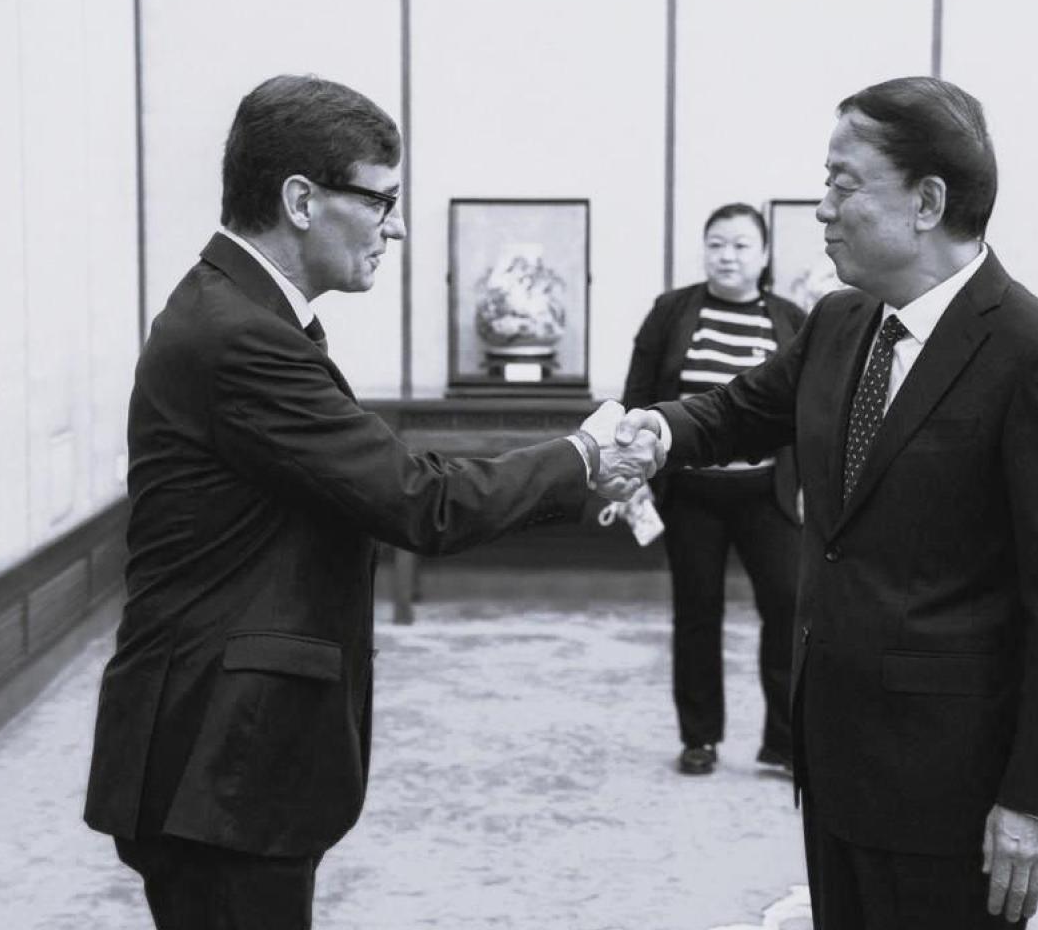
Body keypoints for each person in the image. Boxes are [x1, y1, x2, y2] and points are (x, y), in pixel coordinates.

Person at [82, 74, 657, 930]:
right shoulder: (239, 335)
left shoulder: (241, 313)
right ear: (302, 201)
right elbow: (420, 501)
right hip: (216, 759)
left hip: (223, 749)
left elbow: (379, 481)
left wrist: (574, 473)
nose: (396, 226)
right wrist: (584, 454)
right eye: (382, 200)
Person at [614, 77, 1038, 927]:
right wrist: (652, 431)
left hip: (951, 779)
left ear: (927, 202)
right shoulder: (842, 322)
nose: (822, 209)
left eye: (843, 184)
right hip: (834, 755)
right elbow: (736, 412)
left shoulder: (1036, 355)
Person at [620, 203, 805, 777]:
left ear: (765, 254)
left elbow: (808, 411)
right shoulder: (672, 312)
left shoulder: (791, 320)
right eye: (716, 244)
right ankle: (699, 737)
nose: (727, 256)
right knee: (697, 613)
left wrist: (811, 485)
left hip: (767, 491)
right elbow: (639, 395)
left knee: (787, 607)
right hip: (691, 491)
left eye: (741, 245)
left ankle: (784, 740)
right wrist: (633, 477)